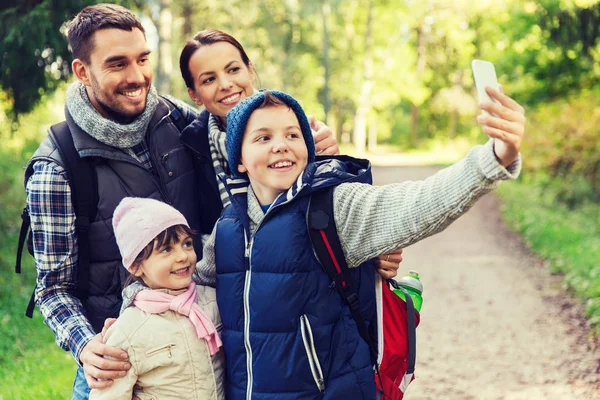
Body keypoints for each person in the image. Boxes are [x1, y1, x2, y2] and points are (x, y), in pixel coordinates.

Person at [24, 4, 340, 398]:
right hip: (123, 363)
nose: (137, 76)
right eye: (118, 64)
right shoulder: (58, 167)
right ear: (82, 71)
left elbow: (256, 163)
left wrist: (315, 148)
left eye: (143, 59)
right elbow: (53, 290)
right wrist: (88, 347)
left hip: (209, 348)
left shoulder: (177, 120)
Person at [123, 89, 525, 398]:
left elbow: (418, 204)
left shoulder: (335, 206)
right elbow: (182, 289)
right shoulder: (227, 230)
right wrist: (129, 312)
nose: (281, 144)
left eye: (292, 134)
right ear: (239, 160)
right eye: (262, 137)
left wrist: (494, 158)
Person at [178, 28, 404, 279]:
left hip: (305, 279)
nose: (225, 84)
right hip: (232, 286)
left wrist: (377, 248)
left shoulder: (297, 126)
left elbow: (342, 207)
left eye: (233, 70)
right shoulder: (191, 148)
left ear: (250, 70)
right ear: (194, 95)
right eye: (209, 79)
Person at [89, 197, 224, 400]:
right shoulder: (127, 330)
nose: (182, 256)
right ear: (135, 266)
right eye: (166, 249)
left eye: (187, 244)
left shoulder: (213, 301)